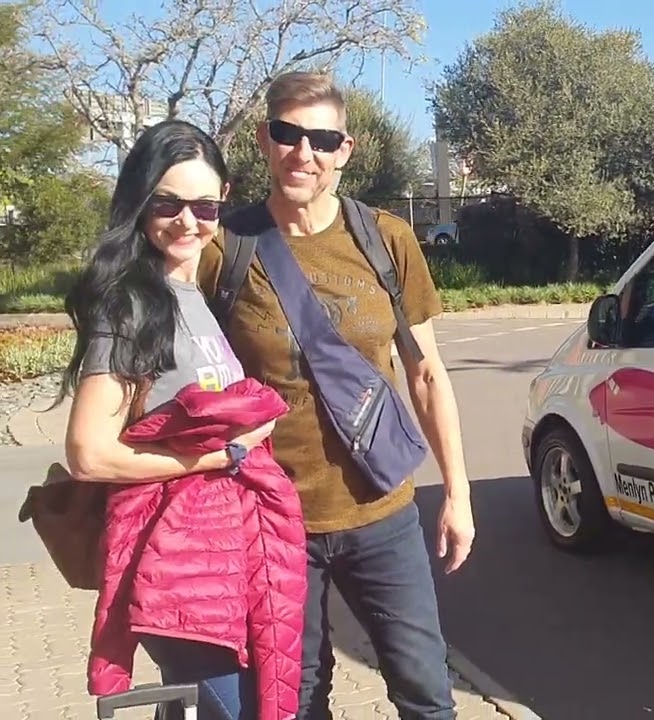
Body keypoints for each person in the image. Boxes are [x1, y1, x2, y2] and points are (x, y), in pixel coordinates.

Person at [196, 71, 475, 720]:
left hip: (382, 514)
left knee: (426, 693)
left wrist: (458, 494)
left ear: (345, 150)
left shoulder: (386, 239)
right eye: (289, 134)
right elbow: (182, 371)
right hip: (271, 522)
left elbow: (427, 373)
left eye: (322, 139)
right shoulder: (223, 248)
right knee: (294, 701)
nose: (305, 153)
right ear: (265, 140)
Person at [60, 119, 284, 720]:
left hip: (217, 556)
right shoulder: (130, 302)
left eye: (205, 204)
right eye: (169, 203)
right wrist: (224, 454)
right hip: (174, 560)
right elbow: (90, 453)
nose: (189, 221)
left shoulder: (191, 295)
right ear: (140, 201)